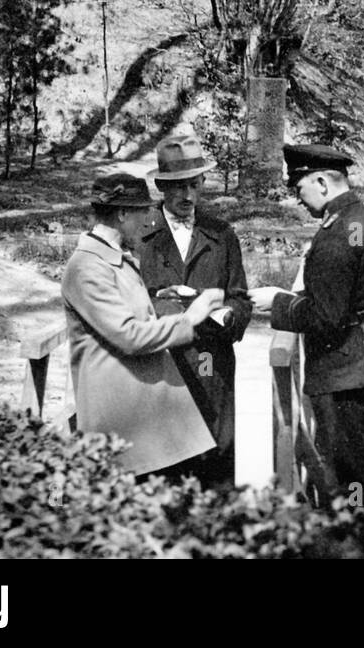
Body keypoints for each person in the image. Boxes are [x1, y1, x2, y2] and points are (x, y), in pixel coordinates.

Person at [250, 144, 364, 555]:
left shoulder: (338, 234)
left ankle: (357, 548)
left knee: (349, 481)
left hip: (345, 375)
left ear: (322, 181)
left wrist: (278, 302)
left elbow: (326, 316)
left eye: (300, 186)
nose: (298, 197)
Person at [62, 171, 225, 481]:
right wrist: (190, 318)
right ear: (123, 214)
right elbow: (128, 336)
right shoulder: (87, 266)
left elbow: (126, 315)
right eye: (142, 212)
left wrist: (159, 299)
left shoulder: (112, 258)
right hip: (121, 417)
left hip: (141, 409)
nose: (148, 219)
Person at [138, 134, 252, 489]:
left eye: (194, 185)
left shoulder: (221, 234)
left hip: (210, 363)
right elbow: (128, 303)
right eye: (178, 187)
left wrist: (228, 315)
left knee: (215, 468)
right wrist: (170, 307)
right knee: (161, 469)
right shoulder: (140, 235)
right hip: (160, 366)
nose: (187, 196)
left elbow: (240, 299)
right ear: (161, 187)